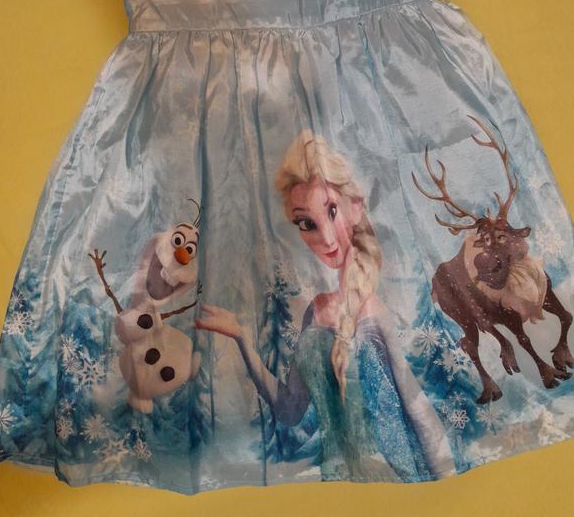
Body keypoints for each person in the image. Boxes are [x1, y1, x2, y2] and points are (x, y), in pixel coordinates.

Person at [195, 128, 456, 481]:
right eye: (307, 224)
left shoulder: (375, 312)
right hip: (338, 483)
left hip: (395, 477)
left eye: (331, 211)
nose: (327, 238)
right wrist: (242, 337)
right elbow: (289, 410)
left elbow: (414, 401)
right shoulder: (315, 311)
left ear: (355, 206)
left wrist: (445, 474)